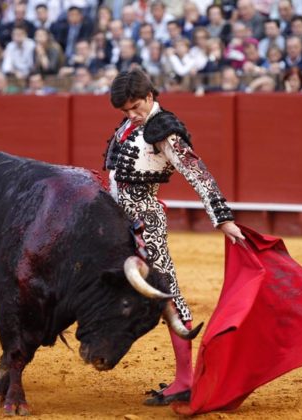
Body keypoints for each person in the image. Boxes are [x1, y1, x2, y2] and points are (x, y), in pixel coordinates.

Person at [103, 68, 244, 406]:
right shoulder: (130, 125)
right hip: (115, 218)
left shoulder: (165, 131)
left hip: (145, 221)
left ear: (151, 97)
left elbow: (199, 175)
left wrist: (223, 218)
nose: (132, 115)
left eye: (136, 107)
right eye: (126, 111)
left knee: (167, 294)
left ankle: (185, 379)